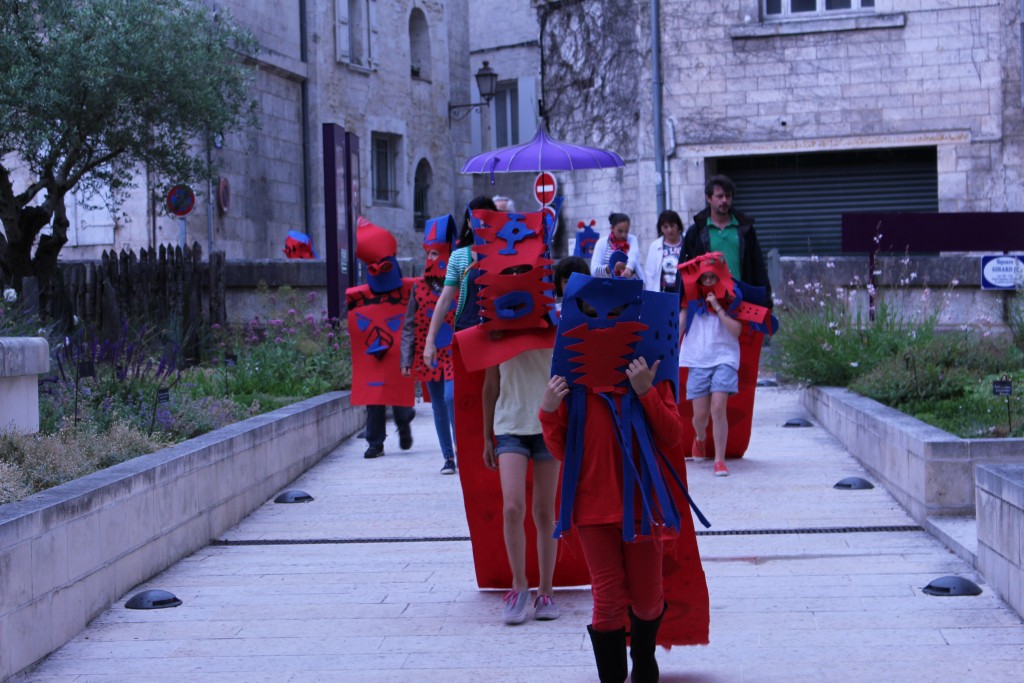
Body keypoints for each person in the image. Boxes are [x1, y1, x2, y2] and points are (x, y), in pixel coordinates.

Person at [540, 273, 710, 683]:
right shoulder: (573, 383)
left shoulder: (650, 370)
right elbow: (563, 451)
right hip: (591, 505)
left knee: (649, 598)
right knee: (608, 597)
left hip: (643, 504)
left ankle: (645, 659)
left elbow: (673, 436)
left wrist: (646, 390)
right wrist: (548, 410)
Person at [483, 342, 560, 624]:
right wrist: (485, 437)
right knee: (512, 508)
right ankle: (519, 586)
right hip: (509, 427)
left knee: (544, 511)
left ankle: (546, 590)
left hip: (548, 424)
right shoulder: (497, 327)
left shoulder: (555, 323)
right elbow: (490, 386)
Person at [345, 218, 415, 459]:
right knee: (374, 395)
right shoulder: (363, 296)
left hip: (397, 348)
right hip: (374, 349)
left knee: (397, 391)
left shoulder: (408, 291)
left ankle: (404, 422)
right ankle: (375, 442)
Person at [677, 253, 743, 477]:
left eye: (711, 278)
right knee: (700, 416)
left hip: (725, 357)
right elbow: (681, 324)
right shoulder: (690, 299)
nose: (707, 282)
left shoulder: (732, 297)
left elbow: (736, 331)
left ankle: (720, 460)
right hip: (698, 358)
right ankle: (700, 437)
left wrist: (717, 305)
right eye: (703, 278)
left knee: (718, 408)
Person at [401, 215, 457, 474]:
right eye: (428, 253)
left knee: (450, 398)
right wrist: (406, 358)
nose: (430, 258)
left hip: (454, 352)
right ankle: (448, 457)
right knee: (437, 405)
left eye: (435, 252)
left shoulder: (457, 284)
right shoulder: (419, 288)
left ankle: (461, 449)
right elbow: (409, 324)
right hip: (429, 353)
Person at [423, 195, 497, 368]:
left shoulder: (506, 253)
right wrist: (430, 339)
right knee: (466, 391)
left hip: (499, 332)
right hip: (468, 331)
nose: (484, 224)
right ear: (469, 223)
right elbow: (445, 300)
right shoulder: (459, 256)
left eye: (489, 218)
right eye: (478, 219)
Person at [684, 174, 772, 306]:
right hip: (708, 302)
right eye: (719, 196)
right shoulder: (696, 232)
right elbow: (686, 271)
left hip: (741, 299)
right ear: (708, 198)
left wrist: (766, 301)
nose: (724, 200)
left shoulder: (745, 229)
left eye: (728, 196)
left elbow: (757, 265)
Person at [643, 210, 685, 294]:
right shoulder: (655, 246)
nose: (669, 230)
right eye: (665, 227)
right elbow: (650, 274)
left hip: (683, 291)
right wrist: (652, 295)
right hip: (663, 292)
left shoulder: (687, 242)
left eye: (672, 226)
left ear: (678, 226)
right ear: (661, 228)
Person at [590, 212, 642, 280]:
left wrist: (628, 268)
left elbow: (633, 255)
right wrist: (609, 268)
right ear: (612, 228)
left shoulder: (632, 239)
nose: (623, 235)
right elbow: (594, 270)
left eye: (626, 231)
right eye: (620, 231)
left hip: (629, 285)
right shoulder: (601, 243)